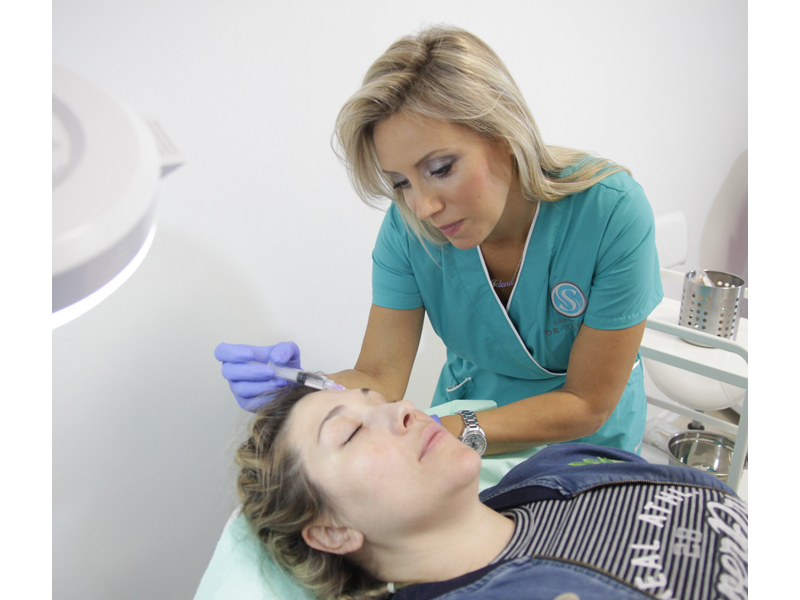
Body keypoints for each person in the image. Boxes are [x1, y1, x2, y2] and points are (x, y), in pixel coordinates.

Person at [217, 24, 663, 455]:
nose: (423, 207)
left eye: (440, 169)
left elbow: (586, 403)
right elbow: (379, 376)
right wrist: (306, 389)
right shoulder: (407, 232)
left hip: (582, 448)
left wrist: (432, 433)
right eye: (400, 183)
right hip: (465, 423)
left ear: (505, 136)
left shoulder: (609, 211)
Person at [236, 385, 747, 600]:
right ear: (332, 531)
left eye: (381, 400)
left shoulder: (560, 464)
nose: (403, 409)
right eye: (349, 433)